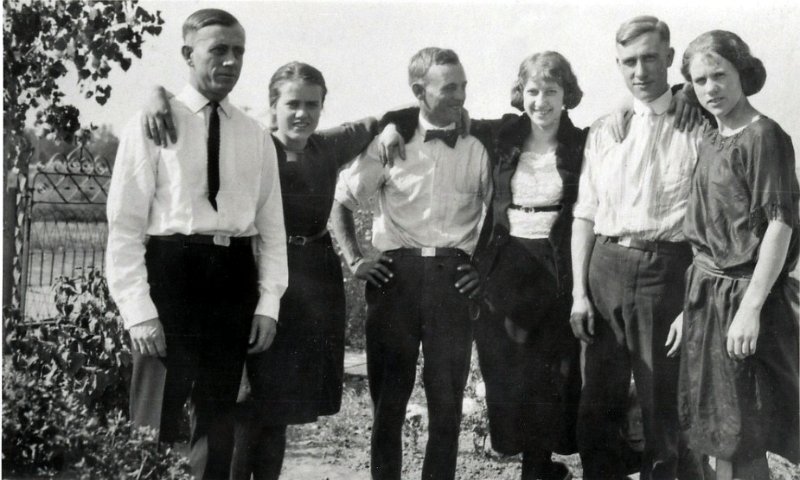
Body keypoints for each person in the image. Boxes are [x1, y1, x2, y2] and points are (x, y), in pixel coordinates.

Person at [142, 62, 385, 480]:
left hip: (311, 285)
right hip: (257, 280)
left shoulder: (327, 147)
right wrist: (155, 92)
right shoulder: (253, 145)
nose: (302, 114)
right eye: (292, 104)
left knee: (282, 405)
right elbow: (198, 123)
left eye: (312, 105)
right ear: (273, 107)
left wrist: (393, 130)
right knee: (244, 401)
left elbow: (383, 118)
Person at [105, 9, 288, 480]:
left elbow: (270, 228)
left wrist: (269, 302)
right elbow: (124, 227)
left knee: (217, 421)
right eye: (218, 50)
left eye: (239, 52)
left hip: (232, 278)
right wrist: (138, 309)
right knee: (154, 424)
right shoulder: (151, 125)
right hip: (171, 273)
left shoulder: (255, 135)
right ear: (188, 54)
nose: (230, 61)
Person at [331, 47, 491, 480]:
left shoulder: (478, 148)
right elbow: (341, 202)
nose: (461, 95)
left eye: (463, 85)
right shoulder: (390, 143)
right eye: (450, 87)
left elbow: (501, 216)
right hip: (393, 281)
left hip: (453, 283)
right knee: (389, 403)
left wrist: (484, 270)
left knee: (446, 404)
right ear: (419, 91)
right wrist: (355, 259)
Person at [569, 15, 707, 480]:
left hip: (665, 271)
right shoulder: (606, 129)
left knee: (662, 412)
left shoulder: (699, 126)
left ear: (671, 59)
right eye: (629, 61)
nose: (640, 70)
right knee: (596, 412)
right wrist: (579, 293)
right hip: (604, 269)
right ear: (618, 65)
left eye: (650, 58)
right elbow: (585, 213)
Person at [677, 30, 799, 480]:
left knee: (741, 434)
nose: (712, 88)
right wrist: (690, 309)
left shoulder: (765, 136)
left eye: (720, 75)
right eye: (701, 80)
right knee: (714, 432)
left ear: (742, 72)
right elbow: (710, 234)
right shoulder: (711, 135)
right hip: (706, 298)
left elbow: (780, 224)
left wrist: (749, 310)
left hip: (744, 298)